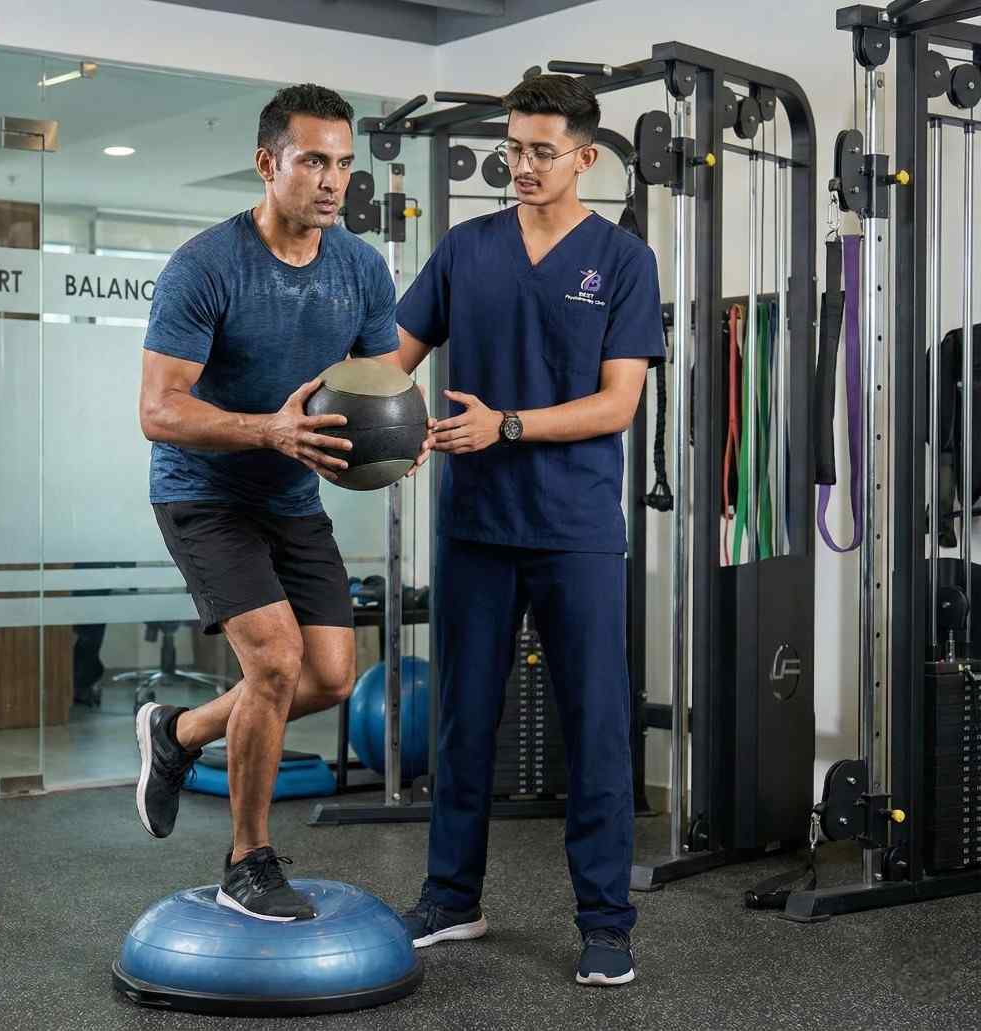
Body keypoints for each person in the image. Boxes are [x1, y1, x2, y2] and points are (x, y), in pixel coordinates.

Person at [133, 83, 430, 922]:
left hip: (292, 494)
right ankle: (247, 860)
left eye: (342, 163)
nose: (332, 180)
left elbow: (380, 387)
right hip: (205, 492)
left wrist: (407, 436)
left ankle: (180, 733)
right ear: (270, 164)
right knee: (272, 662)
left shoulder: (361, 267)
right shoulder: (206, 265)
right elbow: (158, 411)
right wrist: (268, 431)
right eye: (312, 161)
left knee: (332, 676)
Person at [391, 74, 664, 986]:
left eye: (542, 149)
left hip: (576, 526)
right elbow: (392, 362)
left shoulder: (623, 261)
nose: (522, 165)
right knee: (464, 719)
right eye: (514, 146)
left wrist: (504, 423)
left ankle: (605, 920)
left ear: (585, 156)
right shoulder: (465, 248)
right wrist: (338, 409)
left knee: (595, 725)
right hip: (473, 523)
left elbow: (616, 403)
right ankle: (451, 896)